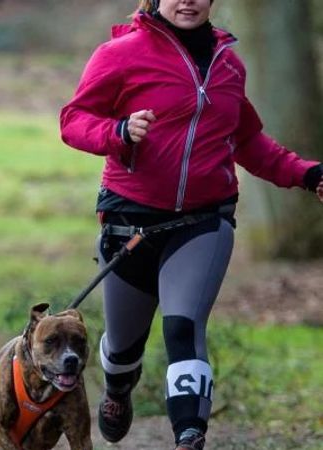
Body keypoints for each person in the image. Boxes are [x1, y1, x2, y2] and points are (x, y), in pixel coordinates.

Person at [59, 1, 323, 449]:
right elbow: (74, 121)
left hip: (203, 220)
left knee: (183, 328)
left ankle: (189, 437)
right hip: (131, 221)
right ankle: (118, 389)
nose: (188, 0)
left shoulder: (228, 65)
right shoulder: (120, 54)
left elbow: (248, 141)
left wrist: (306, 173)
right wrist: (118, 132)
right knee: (123, 347)